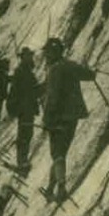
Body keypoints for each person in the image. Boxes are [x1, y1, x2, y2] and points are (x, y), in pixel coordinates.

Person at [42, 37, 95, 203]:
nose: (46, 56)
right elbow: (89, 75)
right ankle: (51, 187)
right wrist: (90, 70)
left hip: (58, 118)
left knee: (57, 153)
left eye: (48, 53)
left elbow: (52, 98)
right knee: (61, 151)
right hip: (73, 117)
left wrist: (47, 119)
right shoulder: (70, 65)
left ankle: (61, 188)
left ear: (52, 53)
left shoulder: (54, 70)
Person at [6, 47, 42, 175]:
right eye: (28, 56)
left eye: (30, 56)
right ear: (23, 57)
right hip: (24, 108)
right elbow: (15, 90)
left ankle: (23, 160)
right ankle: (21, 162)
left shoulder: (26, 71)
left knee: (27, 133)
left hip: (28, 108)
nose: (30, 58)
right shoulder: (21, 72)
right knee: (24, 134)